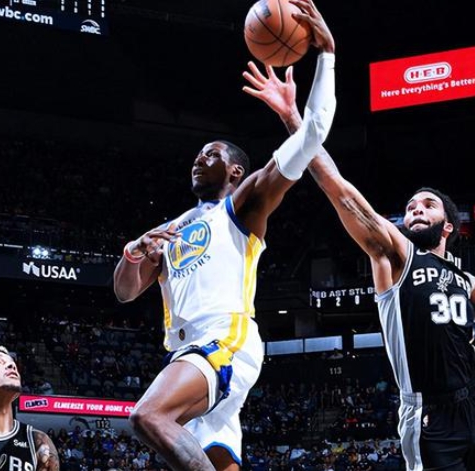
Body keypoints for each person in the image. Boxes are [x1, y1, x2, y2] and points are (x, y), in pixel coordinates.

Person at [243, 57, 475, 470]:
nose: (415, 209)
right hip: (429, 413)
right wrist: (294, 120)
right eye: (410, 206)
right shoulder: (396, 257)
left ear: (448, 226)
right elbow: (340, 190)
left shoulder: (467, 282)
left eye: (427, 205)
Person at [113, 2, 337, 469]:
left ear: (236, 170)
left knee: (148, 416)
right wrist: (134, 253)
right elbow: (125, 292)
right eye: (197, 155)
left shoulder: (243, 205)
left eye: (210, 154)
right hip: (186, 352)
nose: (199, 159)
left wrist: (326, 57)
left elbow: (314, 132)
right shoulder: (171, 229)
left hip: (224, 339)